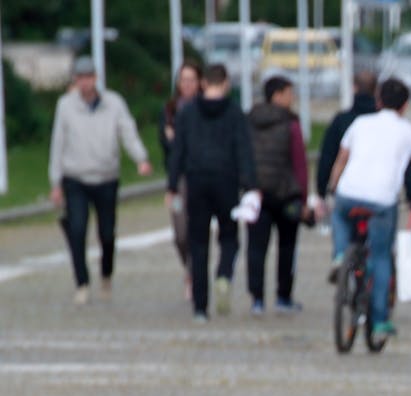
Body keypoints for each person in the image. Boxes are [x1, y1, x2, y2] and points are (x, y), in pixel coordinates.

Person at [326, 77, 411, 341]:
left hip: (348, 194)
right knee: (380, 256)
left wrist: (332, 187)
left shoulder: (360, 123)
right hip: (382, 201)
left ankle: (340, 255)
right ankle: (379, 321)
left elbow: (341, 160)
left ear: (378, 101)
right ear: (405, 105)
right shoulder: (409, 131)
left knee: (339, 216)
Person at [48, 55, 152, 306]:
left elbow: (127, 131)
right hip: (76, 177)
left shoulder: (113, 103)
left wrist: (141, 158)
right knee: (76, 230)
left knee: (106, 233)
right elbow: (58, 143)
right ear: (75, 80)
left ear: (95, 78)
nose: (85, 83)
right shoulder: (65, 106)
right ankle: (82, 282)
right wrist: (56, 181)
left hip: (106, 177)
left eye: (89, 77)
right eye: (80, 78)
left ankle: (106, 273)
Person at [166, 63, 255, 322]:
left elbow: (178, 151)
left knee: (198, 243)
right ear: (226, 84)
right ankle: (224, 275)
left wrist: (172, 186)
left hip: (196, 181)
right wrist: (250, 185)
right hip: (226, 181)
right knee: (229, 237)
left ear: (203, 83)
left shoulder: (188, 112)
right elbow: (244, 150)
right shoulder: (235, 112)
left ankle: (200, 307)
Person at [246, 76, 310, 315]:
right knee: (287, 246)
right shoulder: (291, 123)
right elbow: (299, 163)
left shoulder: (250, 120)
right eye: (289, 93)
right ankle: (283, 297)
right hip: (286, 193)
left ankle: (257, 299)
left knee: (256, 248)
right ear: (277, 95)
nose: (292, 98)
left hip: (257, 193)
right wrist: (303, 198)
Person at [316, 71, 411, 220]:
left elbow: (328, 156)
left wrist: (323, 190)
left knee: (342, 224)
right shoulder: (388, 123)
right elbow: (403, 158)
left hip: (347, 191)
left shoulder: (342, 121)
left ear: (354, 88)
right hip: (380, 192)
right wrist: (410, 194)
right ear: (376, 91)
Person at [160, 60, 201, 302]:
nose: (187, 85)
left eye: (191, 80)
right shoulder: (170, 110)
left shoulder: (204, 108)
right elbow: (166, 145)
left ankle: (193, 274)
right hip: (178, 178)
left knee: (197, 227)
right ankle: (189, 264)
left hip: (200, 175)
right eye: (183, 80)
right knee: (180, 232)